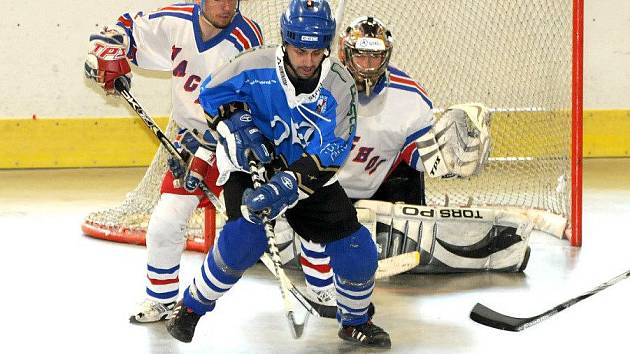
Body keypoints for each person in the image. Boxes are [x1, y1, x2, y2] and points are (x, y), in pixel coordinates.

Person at [165, 0, 392, 349]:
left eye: (316, 52)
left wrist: (284, 186)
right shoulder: (254, 63)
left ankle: (355, 322)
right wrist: (237, 125)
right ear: (285, 40)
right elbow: (211, 95)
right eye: (300, 50)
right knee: (245, 238)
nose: (307, 61)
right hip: (251, 163)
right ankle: (191, 307)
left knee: (358, 249)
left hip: (306, 173)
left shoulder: (339, 84)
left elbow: (332, 152)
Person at [275, 16, 531, 317]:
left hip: (379, 189)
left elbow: (415, 155)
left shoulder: (409, 96)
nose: (368, 64)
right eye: (361, 55)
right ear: (344, 52)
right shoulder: (314, 85)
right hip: (322, 189)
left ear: (387, 56)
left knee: (405, 185)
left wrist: (447, 162)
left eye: (375, 56)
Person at [84, 0, 264, 323]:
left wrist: (207, 152)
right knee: (165, 224)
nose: (226, 6)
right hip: (188, 141)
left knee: (256, 231)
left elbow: (251, 109)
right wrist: (105, 51)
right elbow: (125, 30)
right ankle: (163, 300)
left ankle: (323, 284)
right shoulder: (175, 21)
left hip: (233, 145)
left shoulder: (246, 38)